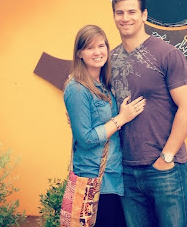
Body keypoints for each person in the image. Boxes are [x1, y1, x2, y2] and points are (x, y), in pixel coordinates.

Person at [110, 0, 187, 227]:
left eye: (131, 11)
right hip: (126, 171)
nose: (125, 18)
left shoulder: (167, 54)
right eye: (119, 12)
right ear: (114, 17)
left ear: (144, 15)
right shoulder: (110, 59)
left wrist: (167, 156)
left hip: (164, 169)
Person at [64, 24, 146, 226]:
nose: (98, 52)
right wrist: (121, 119)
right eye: (90, 48)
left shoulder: (103, 84)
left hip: (113, 176)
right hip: (94, 179)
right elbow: (86, 139)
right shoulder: (77, 89)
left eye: (102, 46)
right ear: (79, 53)